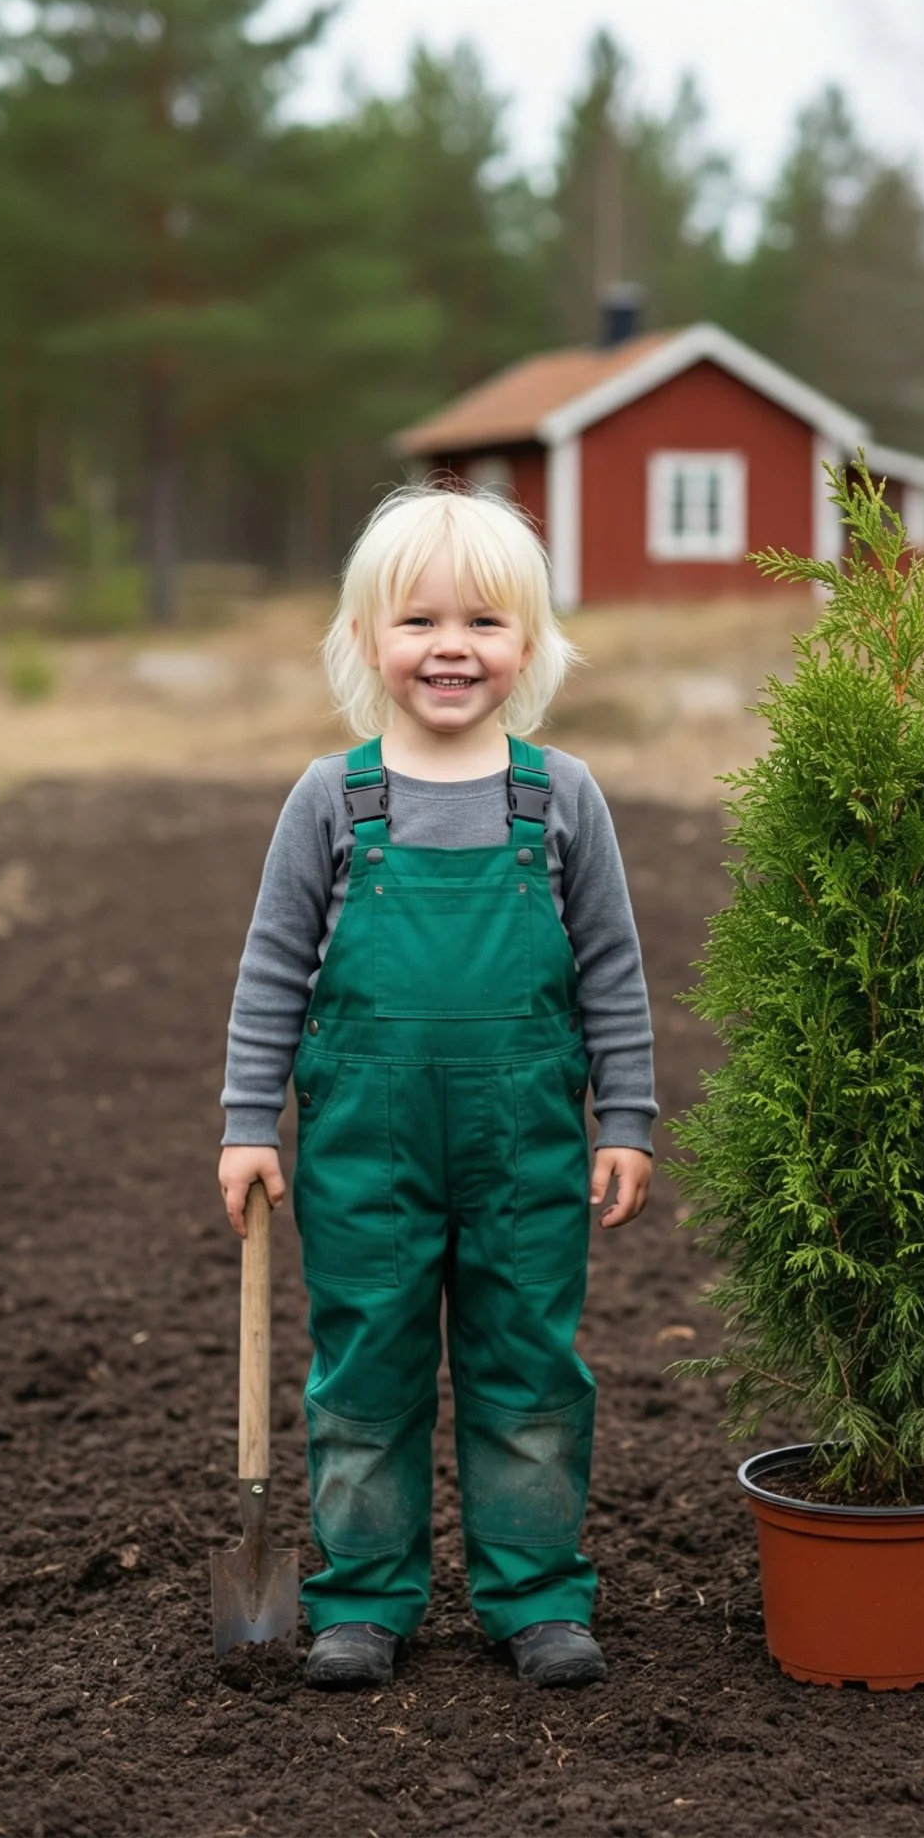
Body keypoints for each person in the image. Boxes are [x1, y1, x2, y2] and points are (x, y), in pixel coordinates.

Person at [217, 485, 656, 1691]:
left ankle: (538, 1595)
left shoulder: (558, 796)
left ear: (531, 645)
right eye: (417, 621)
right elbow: (269, 971)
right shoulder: (333, 798)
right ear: (366, 640)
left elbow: (612, 968)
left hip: (525, 1152)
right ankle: (361, 1596)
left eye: (483, 621)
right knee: (367, 1372)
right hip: (367, 1151)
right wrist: (249, 1122)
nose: (450, 646)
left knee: (529, 1370)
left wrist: (626, 1116)